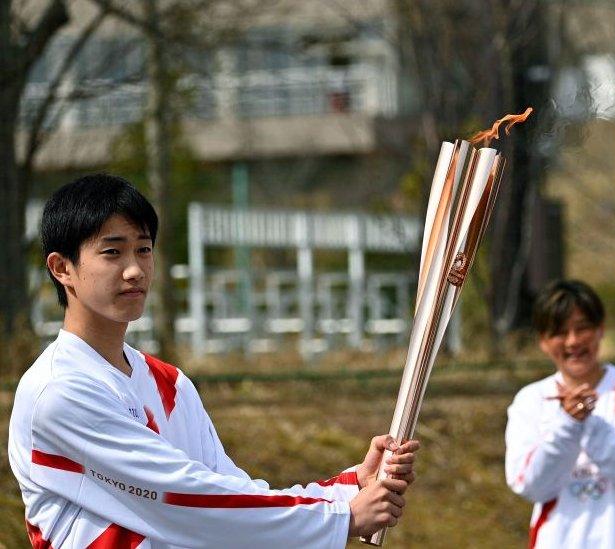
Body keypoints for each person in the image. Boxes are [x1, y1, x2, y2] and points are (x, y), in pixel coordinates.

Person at [8, 174, 420, 548]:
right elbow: (183, 500)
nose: (135, 270)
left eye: (144, 249)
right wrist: (339, 518)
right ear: (62, 268)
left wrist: (347, 488)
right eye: (112, 252)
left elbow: (230, 492)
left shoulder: (168, 384)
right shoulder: (58, 391)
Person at [505, 279, 615, 549]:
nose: (573, 341)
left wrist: (589, 423)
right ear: (543, 341)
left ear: (600, 329)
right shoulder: (531, 400)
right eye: (559, 332)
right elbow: (530, 485)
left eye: (582, 329)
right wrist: (568, 425)